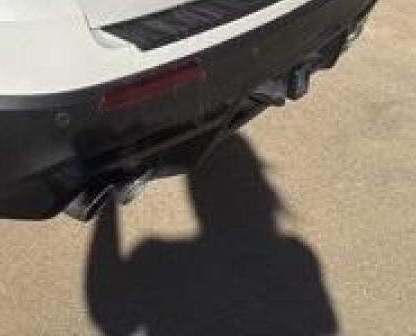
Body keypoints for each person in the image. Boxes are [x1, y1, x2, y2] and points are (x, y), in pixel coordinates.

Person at [86, 135, 337, 335]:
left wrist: (106, 201)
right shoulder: (296, 257)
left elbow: (110, 314)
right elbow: (323, 325)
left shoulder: (158, 260)